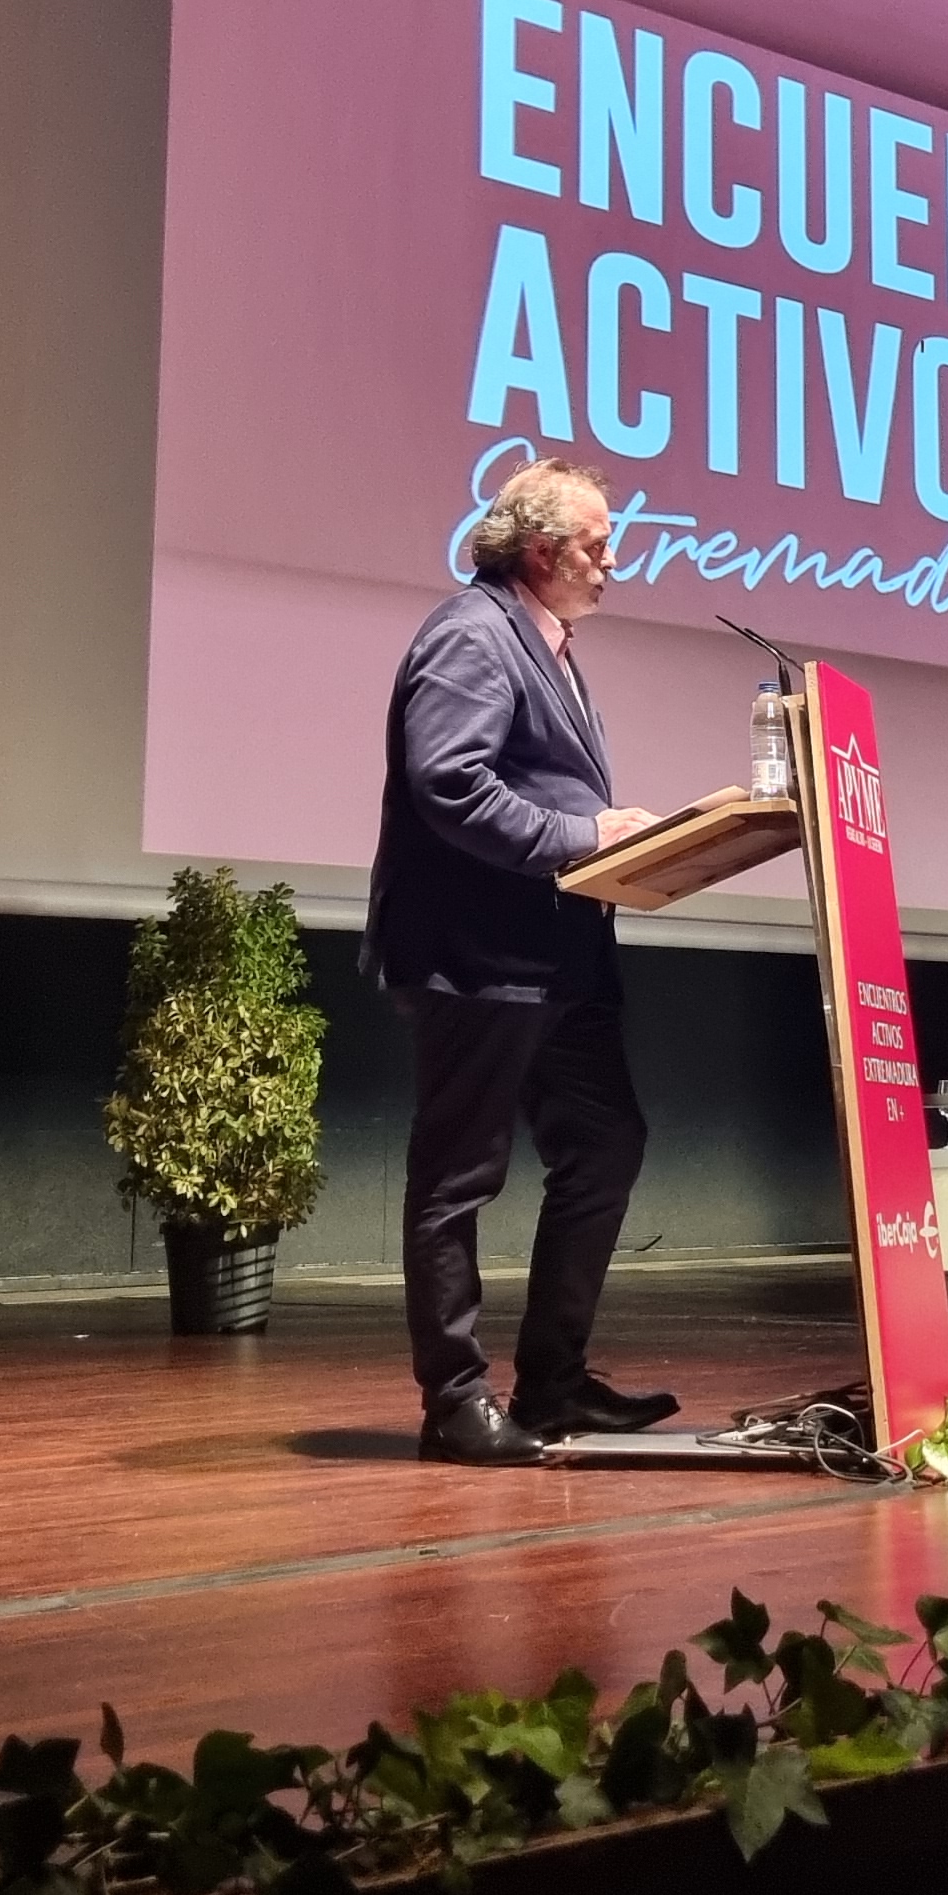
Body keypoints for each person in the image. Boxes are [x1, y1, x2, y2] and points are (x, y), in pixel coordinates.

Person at [365, 456, 683, 1463]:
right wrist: (587, 836)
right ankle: (454, 1402)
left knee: (605, 1143)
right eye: (598, 545)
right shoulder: (472, 634)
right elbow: (448, 783)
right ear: (541, 551)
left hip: (560, 958)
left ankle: (552, 1385)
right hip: (482, 956)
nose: (614, 561)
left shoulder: (546, 644)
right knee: (458, 1176)